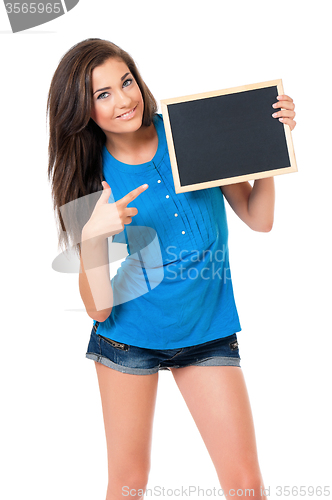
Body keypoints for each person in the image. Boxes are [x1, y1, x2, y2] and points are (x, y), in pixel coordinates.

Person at [47, 38, 296, 500]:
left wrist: (269, 146)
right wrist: (92, 237)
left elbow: (259, 220)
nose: (124, 100)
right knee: (129, 484)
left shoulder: (189, 132)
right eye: (103, 95)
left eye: (125, 82)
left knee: (245, 486)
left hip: (206, 331)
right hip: (127, 339)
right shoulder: (88, 176)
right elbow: (99, 309)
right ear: (84, 111)